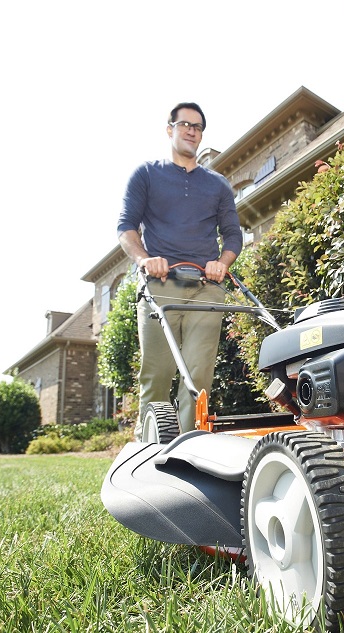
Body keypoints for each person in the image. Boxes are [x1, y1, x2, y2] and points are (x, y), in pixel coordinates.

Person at [117, 102, 243, 435]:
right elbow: (126, 228)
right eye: (185, 124)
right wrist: (144, 259)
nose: (191, 130)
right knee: (157, 373)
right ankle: (148, 446)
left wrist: (222, 263)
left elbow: (232, 236)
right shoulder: (146, 174)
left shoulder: (217, 185)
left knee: (198, 375)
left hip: (206, 287)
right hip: (160, 285)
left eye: (198, 127)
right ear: (170, 128)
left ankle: (188, 447)